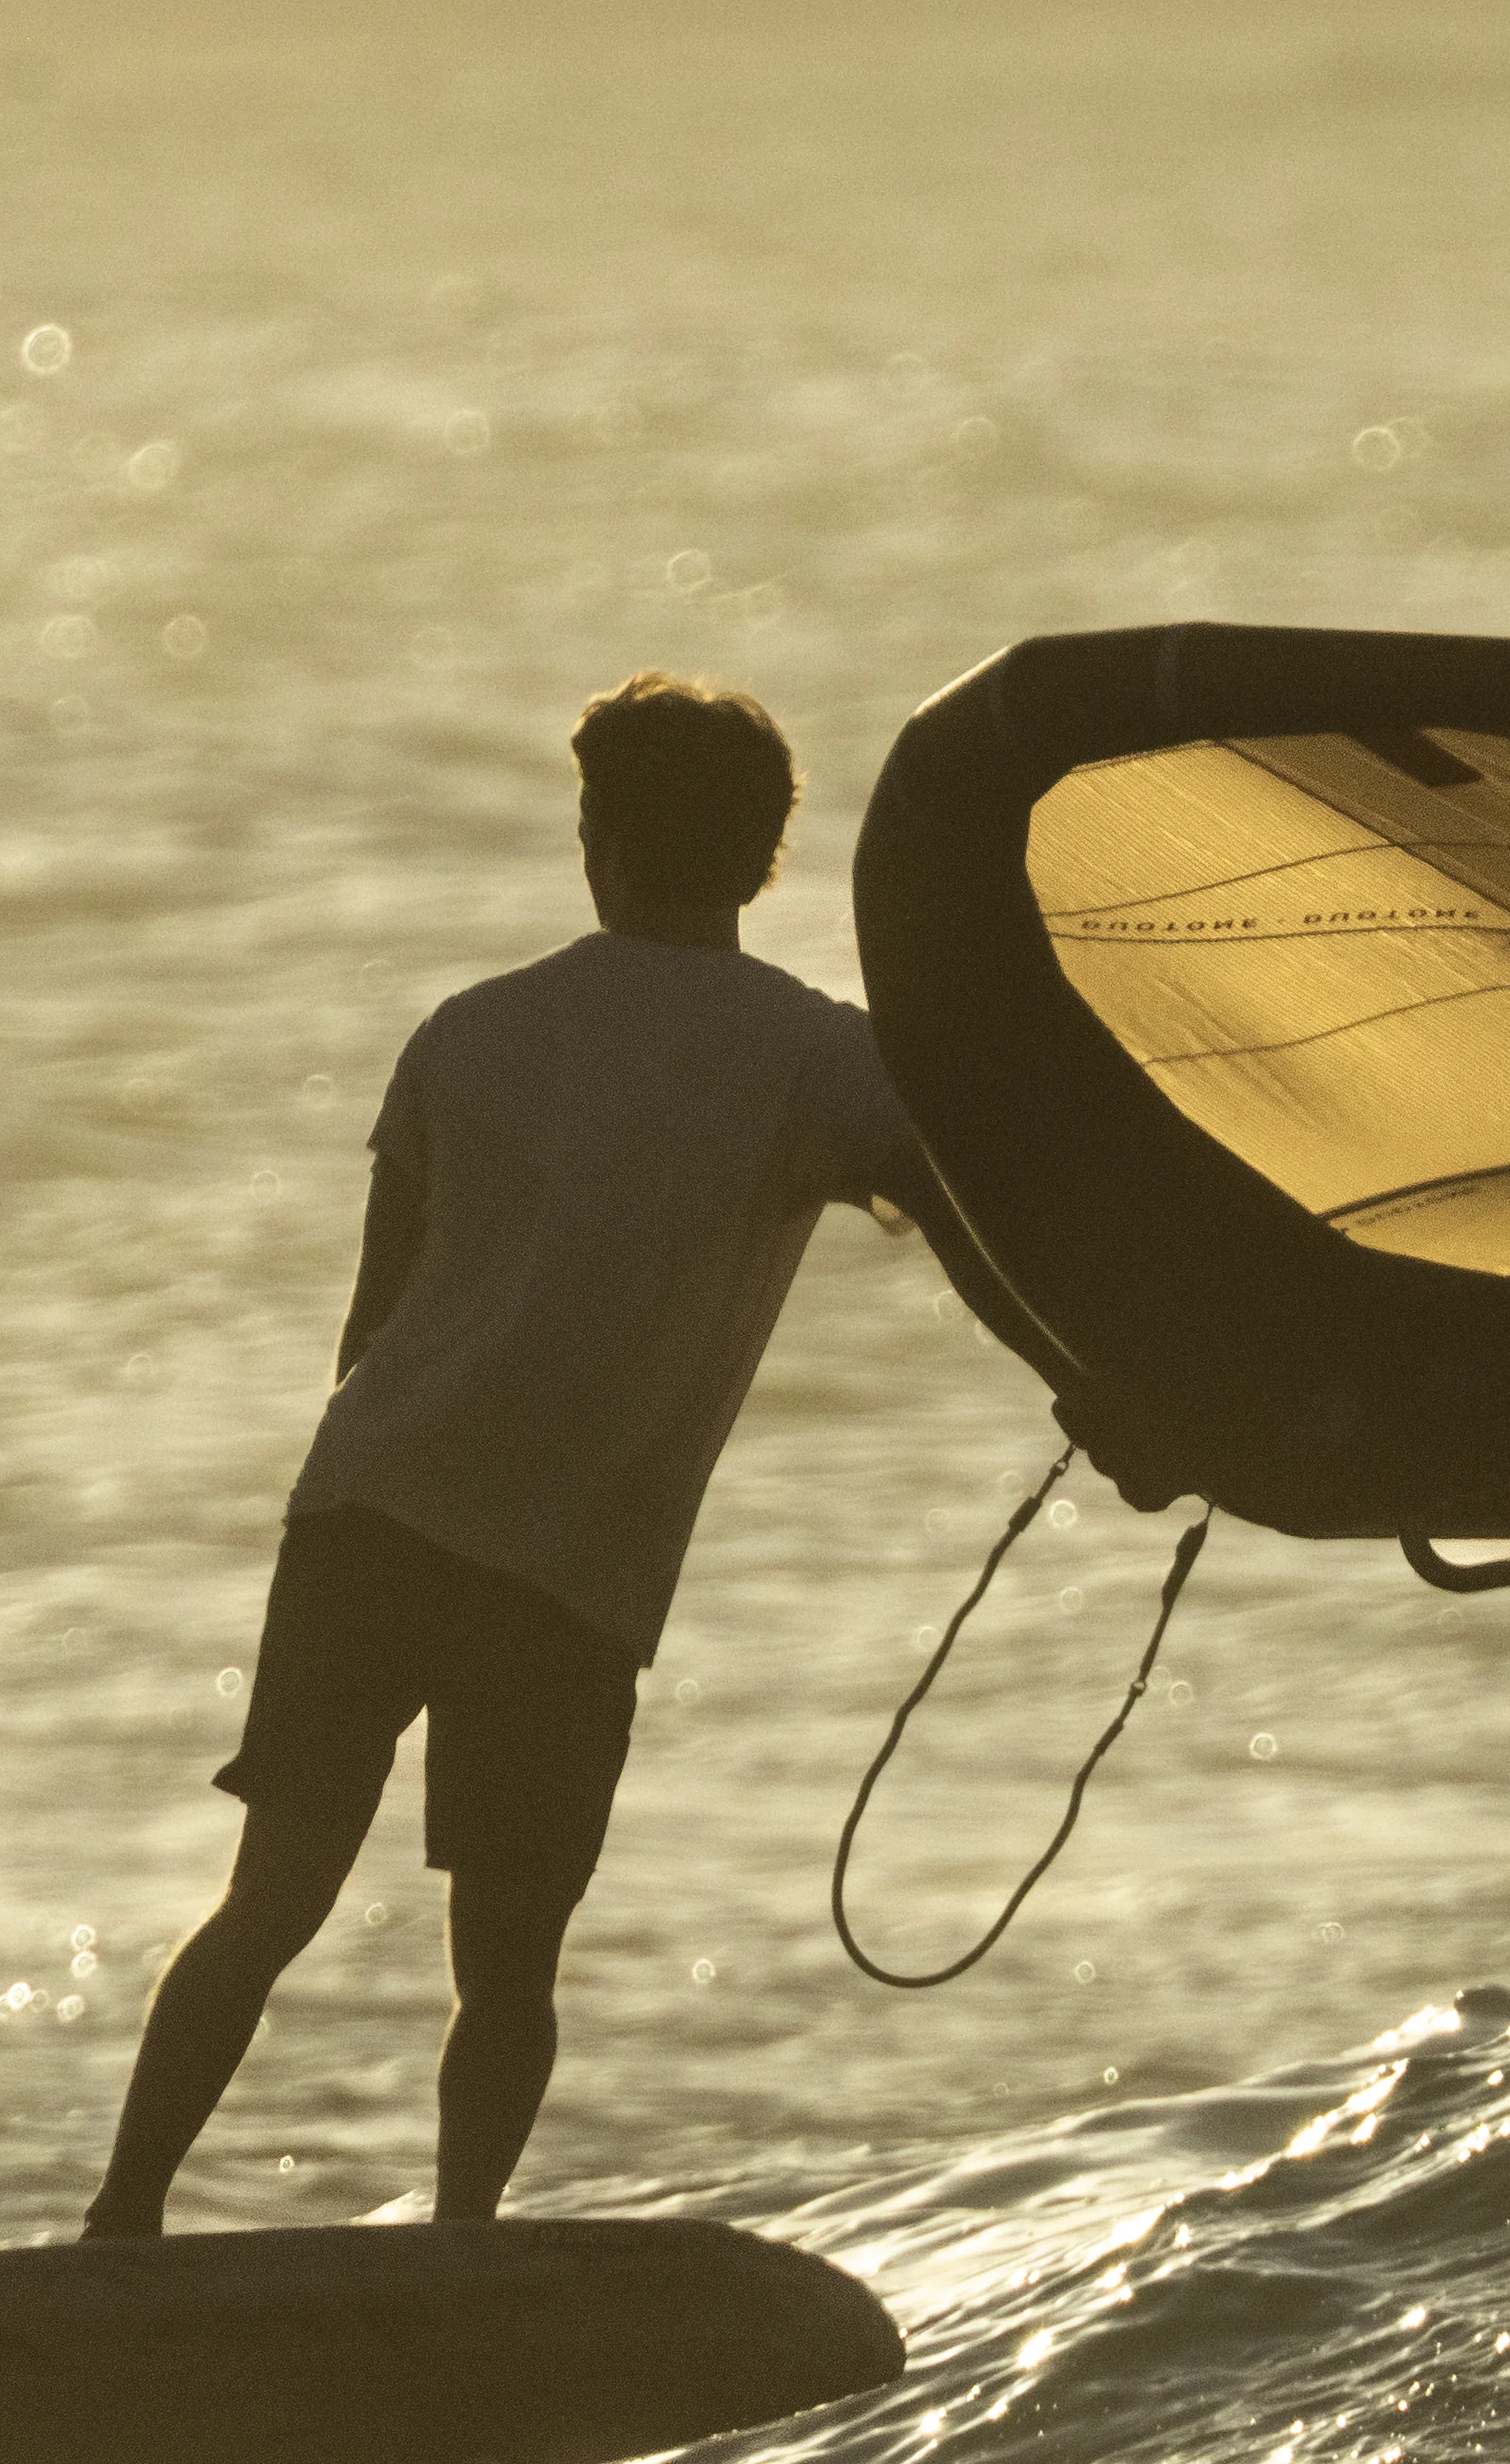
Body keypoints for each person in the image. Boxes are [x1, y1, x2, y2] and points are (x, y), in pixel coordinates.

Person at [84, 674, 919, 2236]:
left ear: (596, 842)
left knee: (268, 1902)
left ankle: (122, 2219)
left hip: (374, 1513)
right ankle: (462, 2251)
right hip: (574, 1573)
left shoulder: (468, 1034)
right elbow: (972, 1207)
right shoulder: (825, 1065)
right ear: (763, 865)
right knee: (511, 1967)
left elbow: (366, 1332)